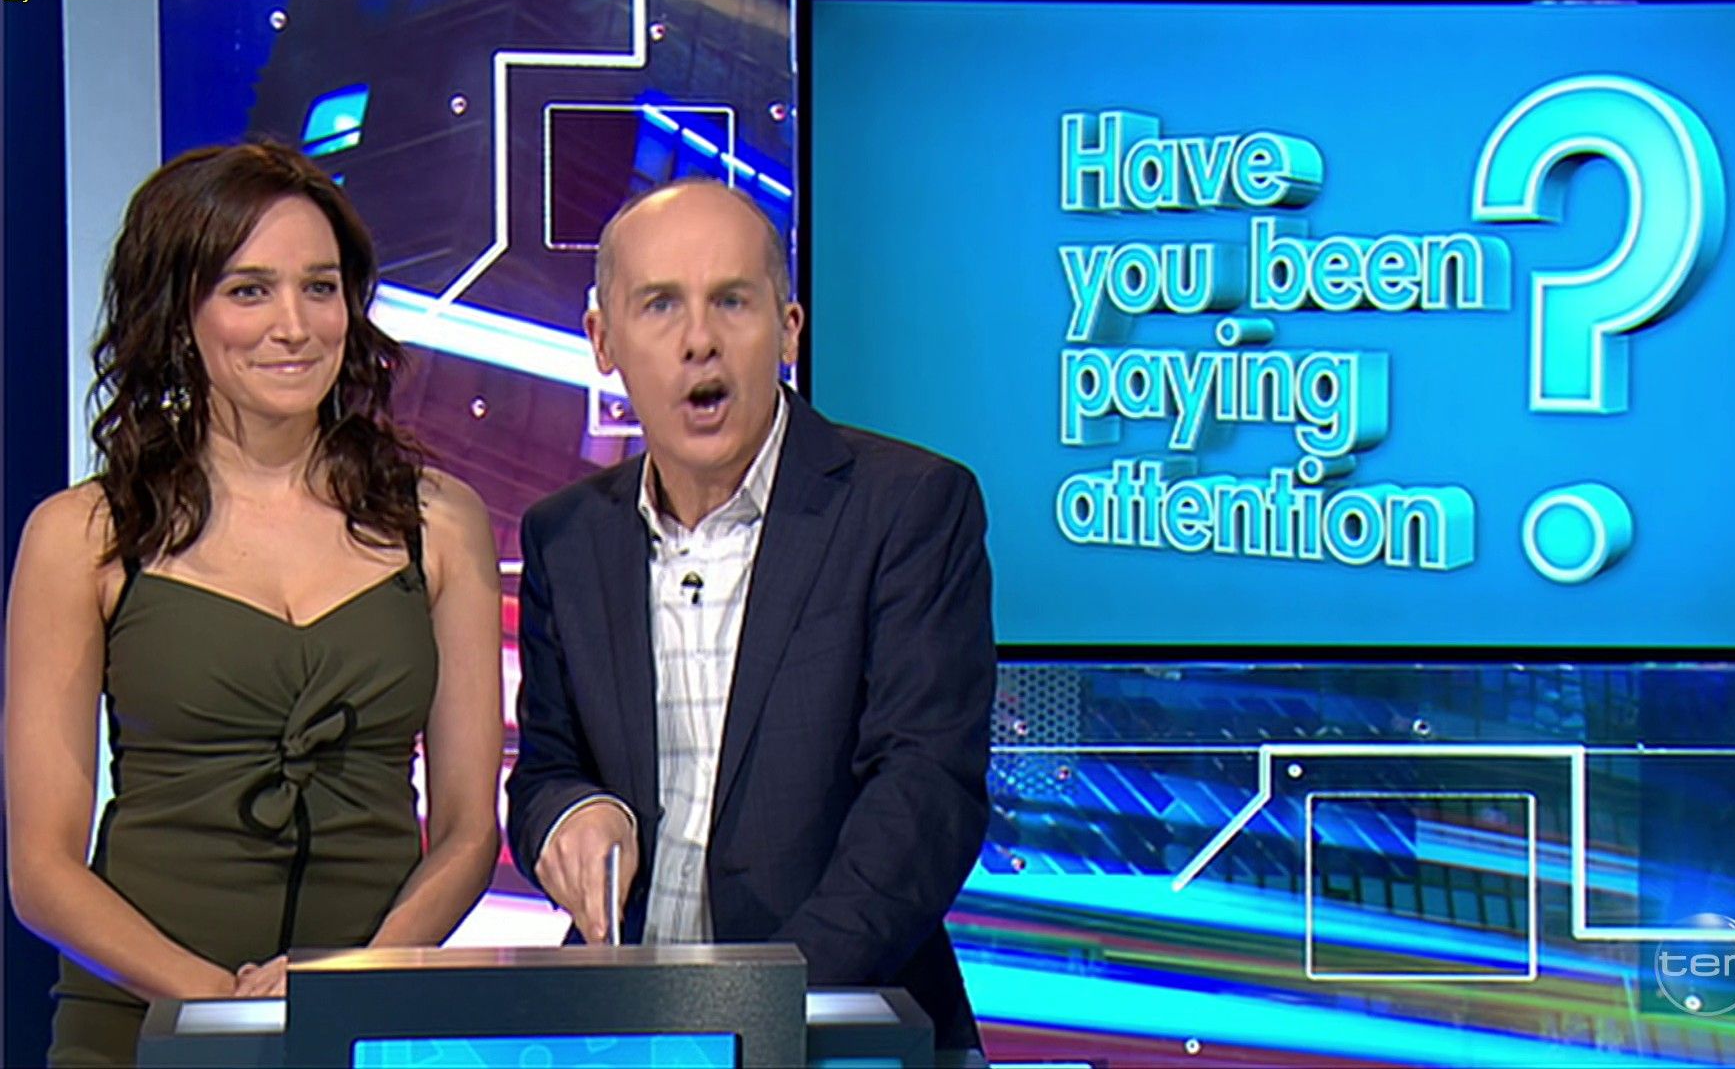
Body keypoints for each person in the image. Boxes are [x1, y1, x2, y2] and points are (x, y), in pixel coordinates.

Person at [3, 141, 503, 1067]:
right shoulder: (84, 536)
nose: (294, 326)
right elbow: (41, 870)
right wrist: (227, 1006)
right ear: (178, 312)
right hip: (142, 1030)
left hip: (370, 1026)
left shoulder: (439, 523)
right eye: (249, 291)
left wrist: (348, 985)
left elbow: (470, 831)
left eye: (320, 288)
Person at [505, 179, 993, 1050]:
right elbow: (545, 769)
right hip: (628, 1031)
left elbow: (925, 795)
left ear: (788, 328)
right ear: (603, 341)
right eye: (660, 305)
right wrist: (571, 813)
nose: (700, 341)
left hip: (837, 1023)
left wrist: (756, 1017)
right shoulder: (565, 537)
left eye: (732, 301)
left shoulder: (910, 506)